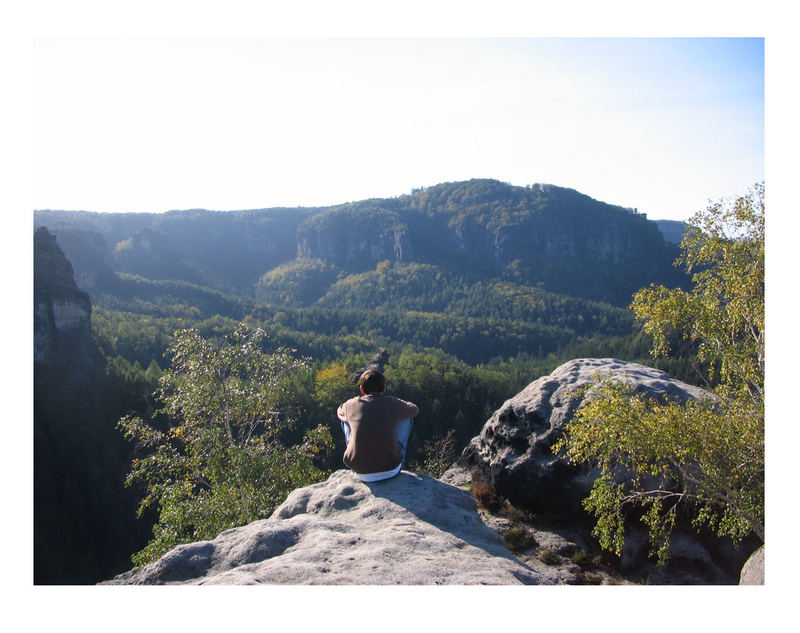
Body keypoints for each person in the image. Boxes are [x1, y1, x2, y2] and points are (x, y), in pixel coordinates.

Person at [337, 368, 419, 482]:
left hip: (359, 471)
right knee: (407, 418)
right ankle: (398, 456)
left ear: (361, 389)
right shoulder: (392, 403)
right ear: (384, 387)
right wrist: (396, 402)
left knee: (345, 419)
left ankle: (354, 454)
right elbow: (414, 409)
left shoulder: (350, 405)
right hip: (391, 469)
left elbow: (339, 411)